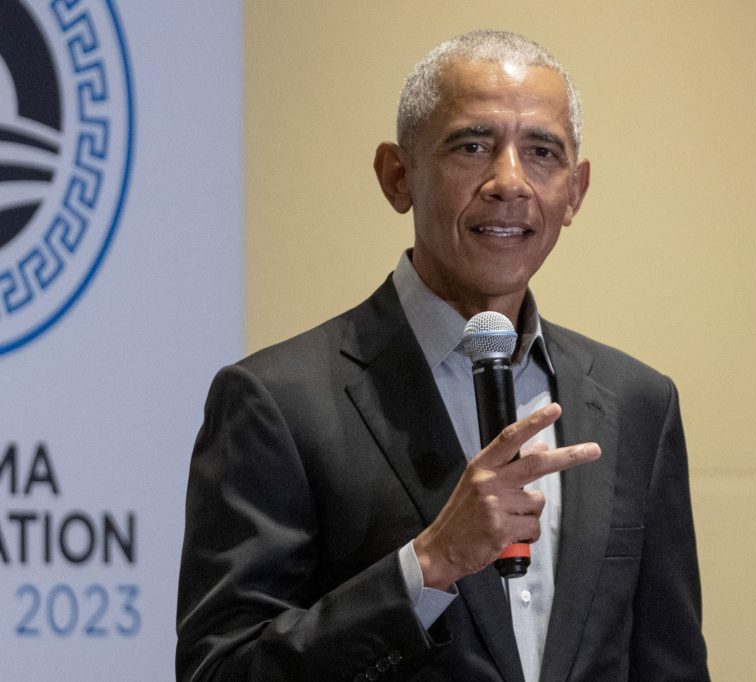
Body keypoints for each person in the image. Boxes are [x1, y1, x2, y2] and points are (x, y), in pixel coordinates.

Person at [176, 30, 709, 681]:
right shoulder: (276, 403)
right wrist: (426, 567)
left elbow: (668, 663)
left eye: (542, 152)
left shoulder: (637, 403)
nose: (508, 181)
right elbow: (219, 671)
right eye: (472, 145)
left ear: (576, 190)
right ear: (396, 175)